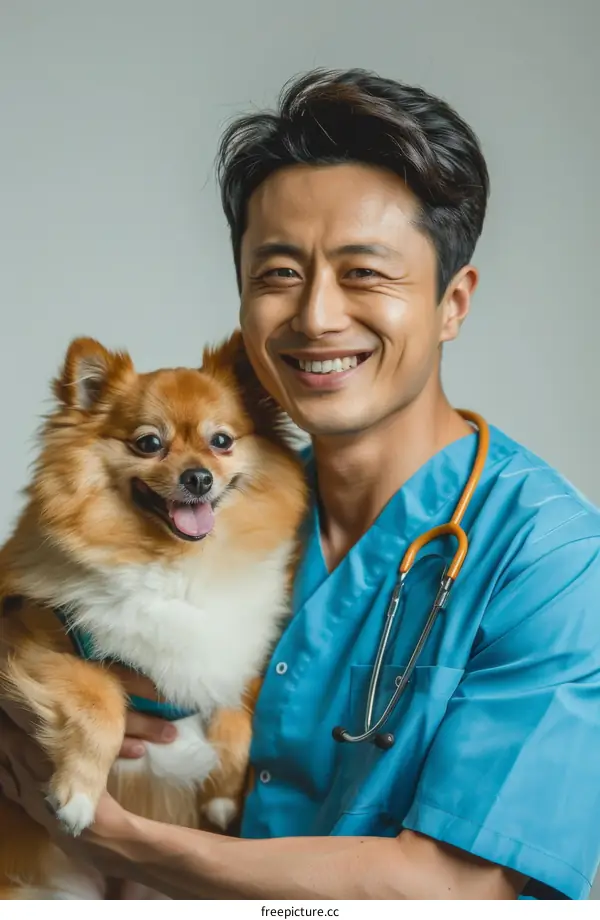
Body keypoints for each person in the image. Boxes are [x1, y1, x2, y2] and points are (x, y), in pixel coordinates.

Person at [2, 67, 600, 901]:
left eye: (365, 272)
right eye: (279, 272)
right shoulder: (218, 510)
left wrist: (125, 842)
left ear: (453, 301)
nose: (317, 316)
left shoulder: (551, 560)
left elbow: (459, 893)